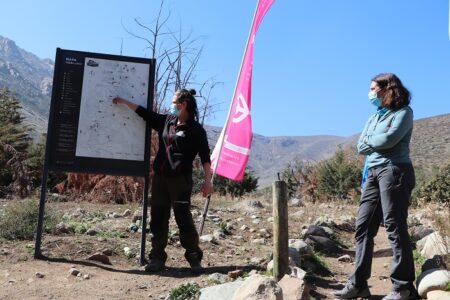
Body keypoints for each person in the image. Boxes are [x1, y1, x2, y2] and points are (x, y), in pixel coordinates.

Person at [334, 73, 418, 300]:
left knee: (394, 225)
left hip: (394, 170)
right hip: (371, 173)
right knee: (363, 226)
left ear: (387, 89)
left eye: (374, 89)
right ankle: (358, 283)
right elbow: (361, 146)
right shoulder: (374, 118)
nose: (370, 93)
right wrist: (374, 141)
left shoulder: (403, 113)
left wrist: (372, 141)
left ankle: (403, 288)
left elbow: (387, 141)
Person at [112, 89, 212, 273]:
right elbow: (145, 113)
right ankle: (157, 258)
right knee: (158, 218)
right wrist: (125, 101)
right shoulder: (166, 121)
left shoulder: (196, 130)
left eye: (174, 103)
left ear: (183, 105)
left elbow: (205, 157)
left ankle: (194, 258)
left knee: (183, 219)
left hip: (181, 180)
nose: (171, 106)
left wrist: (208, 181)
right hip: (160, 179)